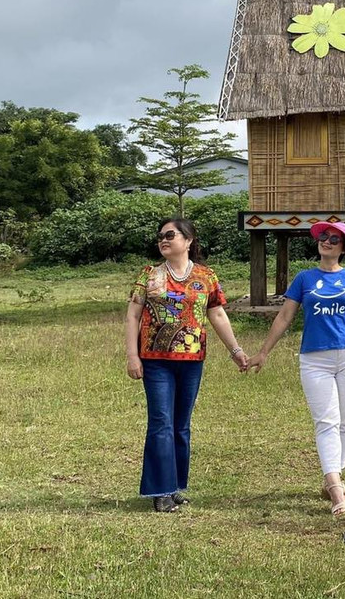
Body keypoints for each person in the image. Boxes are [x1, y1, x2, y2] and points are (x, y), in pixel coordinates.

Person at [247, 221, 345, 516]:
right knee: (326, 421)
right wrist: (263, 352)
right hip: (315, 360)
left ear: (344, 247)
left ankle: (335, 473)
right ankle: (334, 486)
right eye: (323, 237)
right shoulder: (305, 278)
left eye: (334, 238)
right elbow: (284, 317)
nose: (326, 241)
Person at [125, 218, 250, 512]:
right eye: (160, 237)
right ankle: (160, 491)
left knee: (181, 426)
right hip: (155, 361)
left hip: (192, 361)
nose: (163, 240)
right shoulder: (149, 275)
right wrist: (132, 355)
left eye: (170, 235)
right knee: (161, 423)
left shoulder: (206, 277)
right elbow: (133, 315)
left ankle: (176, 486)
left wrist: (236, 351)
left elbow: (217, 315)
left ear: (189, 240)